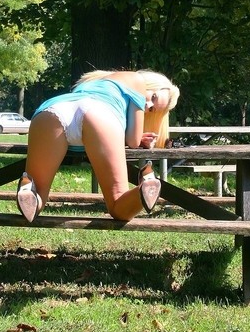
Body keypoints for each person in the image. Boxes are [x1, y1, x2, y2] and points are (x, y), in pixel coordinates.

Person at [16, 69, 180, 223]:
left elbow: (79, 121)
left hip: (52, 110)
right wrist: (139, 140)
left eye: (152, 110)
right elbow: (133, 141)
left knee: (38, 195)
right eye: (154, 97)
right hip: (100, 113)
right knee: (118, 205)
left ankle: (27, 189)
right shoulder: (137, 80)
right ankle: (146, 184)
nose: (149, 106)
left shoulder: (93, 81)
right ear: (150, 85)